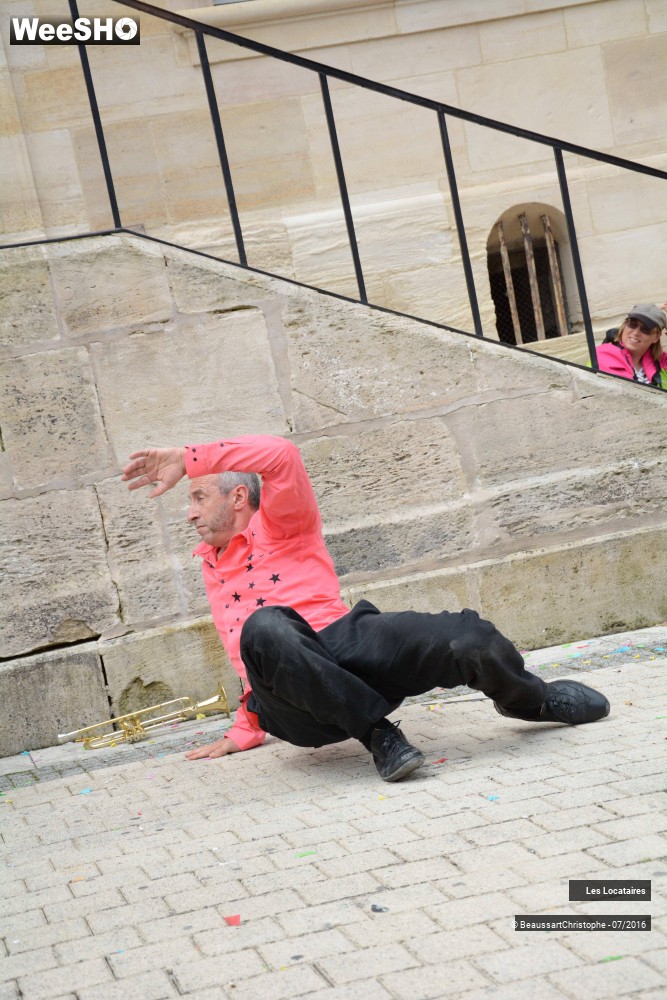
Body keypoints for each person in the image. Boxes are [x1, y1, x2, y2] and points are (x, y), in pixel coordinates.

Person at [122, 435, 610, 782]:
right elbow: (243, 649)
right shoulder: (210, 562)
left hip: (347, 645)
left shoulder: (285, 524)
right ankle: (379, 735)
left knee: (468, 637)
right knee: (265, 625)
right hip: (293, 706)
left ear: (240, 496)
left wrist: (189, 458)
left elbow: (282, 453)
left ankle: (531, 699)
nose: (189, 512)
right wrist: (244, 726)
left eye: (198, 496)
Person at [597, 303, 667, 389]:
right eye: (632, 324)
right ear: (625, 325)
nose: (636, 333)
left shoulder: (661, 361)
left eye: (645, 329)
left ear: (656, 337)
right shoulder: (605, 354)